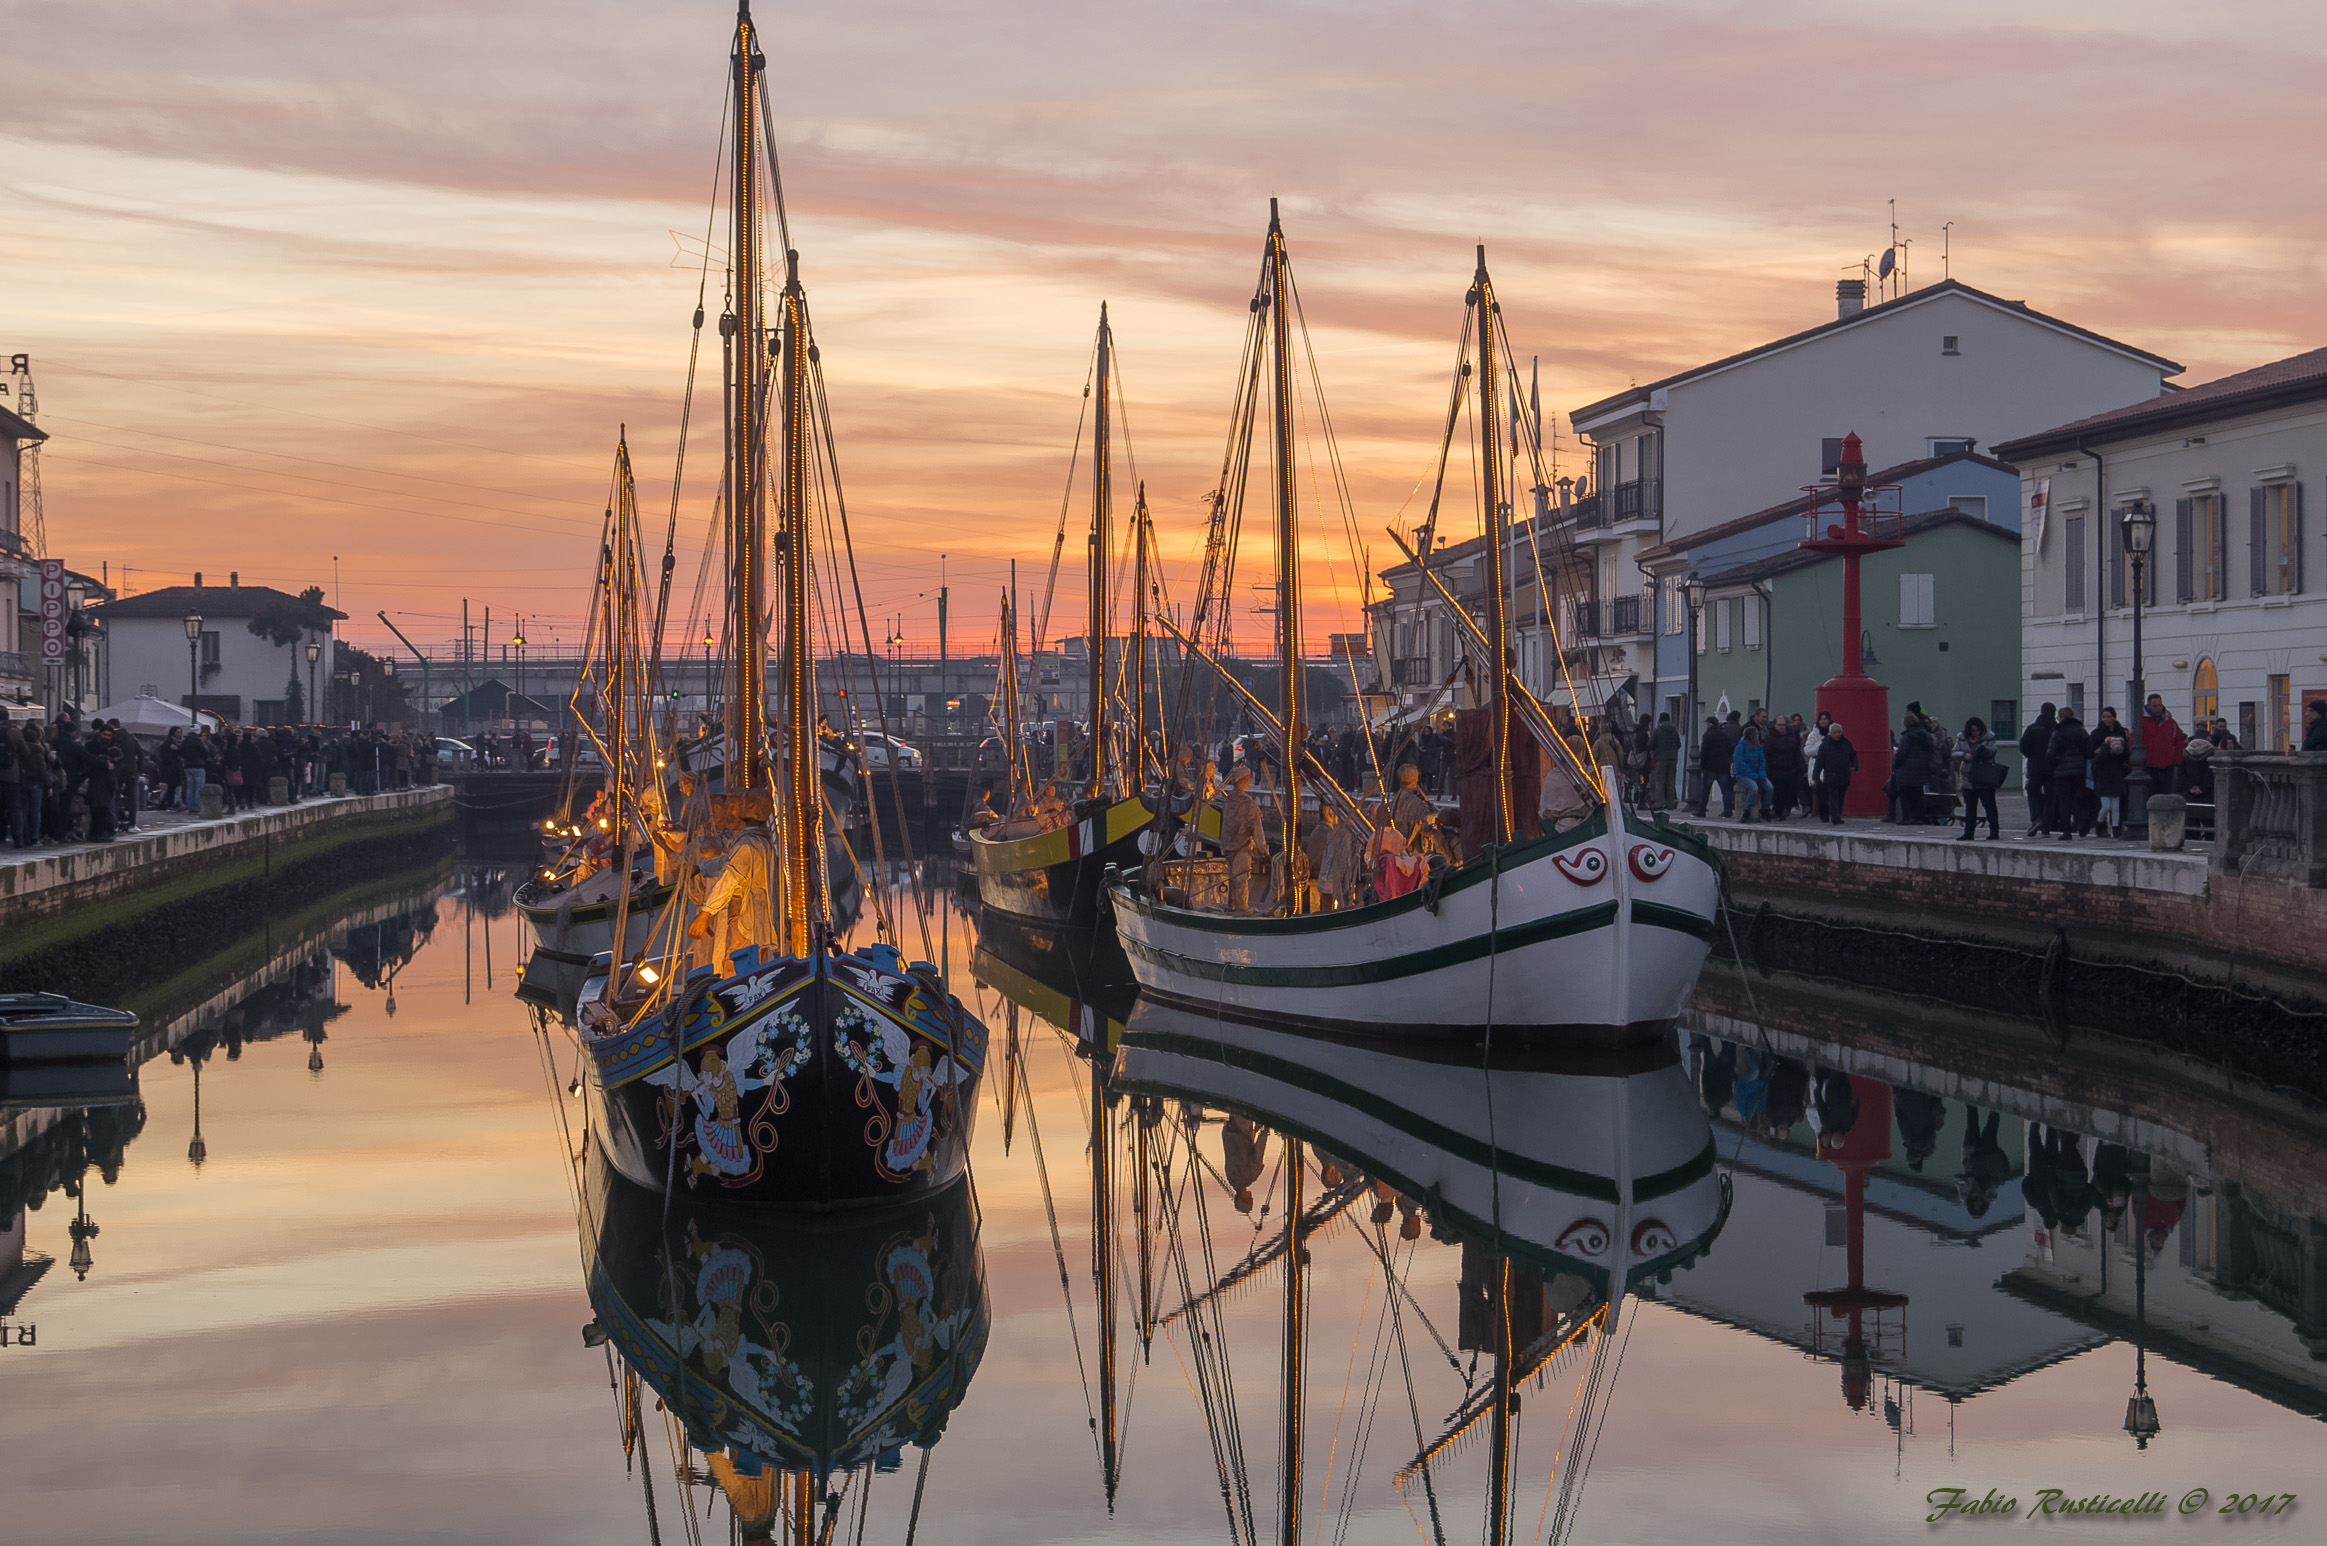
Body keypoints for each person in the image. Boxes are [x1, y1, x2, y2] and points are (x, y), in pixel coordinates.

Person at [1220, 765, 1267, 914]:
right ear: (1246, 780)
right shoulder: (1249, 805)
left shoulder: (1227, 801)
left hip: (1228, 844)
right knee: (1241, 877)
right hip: (1242, 846)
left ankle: (1232, 905)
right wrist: (1263, 849)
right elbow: (1256, 828)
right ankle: (1242, 908)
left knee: (1233, 876)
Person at [2045, 709, 2094, 839]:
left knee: (2064, 801)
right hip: (2079, 770)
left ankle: (2067, 831)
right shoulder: (2081, 731)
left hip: (2061, 772)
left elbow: (2050, 754)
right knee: (2078, 797)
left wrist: (2054, 765)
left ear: (2061, 718)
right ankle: (2081, 820)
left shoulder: (2057, 732)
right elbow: (2090, 751)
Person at [1956, 716, 2002, 841]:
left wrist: (1982, 750)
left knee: (1989, 805)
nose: (1975, 733)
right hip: (1968, 777)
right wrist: (1964, 755)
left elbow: (1992, 752)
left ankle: (1994, 832)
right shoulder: (1961, 738)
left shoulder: (1989, 738)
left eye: (1976, 731)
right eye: (1972, 731)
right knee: (1970, 807)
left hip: (1984, 776)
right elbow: (1954, 752)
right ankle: (1969, 832)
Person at [2090, 706, 2132, 837]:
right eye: (2104, 717)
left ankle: (2116, 828)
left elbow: (2126, 754)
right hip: (2103, 772)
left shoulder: (2120, 731)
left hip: (2118, 771)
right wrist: (2105, 746)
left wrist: (2122, 745)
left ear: (2114, 718)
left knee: (2116, 805)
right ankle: (2099, 824)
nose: (2106, 719)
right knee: (2106, 805)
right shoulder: (2097, 733)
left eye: (2109, 716)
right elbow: (2094, 756)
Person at [2018, 702, 2057, 836]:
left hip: (2035, 765)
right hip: (2052, 767)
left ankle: (2036, 819)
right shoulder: (2056, 729)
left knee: (2032, 791)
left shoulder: (2032, 728)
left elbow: (2023, 746)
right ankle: (2046, 827)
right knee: (2050, 797)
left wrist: (2032, 755)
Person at [1889, 711, 1934, 824]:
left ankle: (1908, 818)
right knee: (1918, 794)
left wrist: (1895, 766)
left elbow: (1901, 755)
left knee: (1905, 795)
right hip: (1922, 770)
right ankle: (1919, 817)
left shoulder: (1907, 737)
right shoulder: (1925, 736)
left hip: (1906, 771)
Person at [2139, 693, 2186, 796]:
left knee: (2166, 796)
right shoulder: (2141, 722)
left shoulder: (2170, 722)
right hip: (2149, 766)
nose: (2158, 708)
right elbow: (2134, 742)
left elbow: (2179, 739)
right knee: (2151, 796)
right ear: (2149, 706)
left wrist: (2177, 759)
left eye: (2159, 705)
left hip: (2167, 766)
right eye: (2155, 706)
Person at [1813, 721, 1857, 823]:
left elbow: (1853, 754)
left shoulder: (1846, 743)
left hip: (1844, 775)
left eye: (1839, 732)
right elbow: (1819, 761)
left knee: (1841, 797)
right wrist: (1816, 776)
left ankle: (1838, 815)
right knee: (1833, 797)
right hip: (1830, 775)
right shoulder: (1824, 745)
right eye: (1835, 733)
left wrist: (1855, 765)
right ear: (1830, 733)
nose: (1837, 735)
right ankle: (1834, 817)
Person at [1763, 714, 1804, 820]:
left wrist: (1800, 765)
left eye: (1784, 725)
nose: (1782, 727)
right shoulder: (1769, 738)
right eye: (1779, 725)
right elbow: (1766, 754)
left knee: (1789, 792)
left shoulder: (1792, 736)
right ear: (1775, 725)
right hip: (1775, 769)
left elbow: (1797, 752)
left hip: (1790, 768)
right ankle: (1778, 812)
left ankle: (1785, 809)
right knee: (1778, 792)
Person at [1691, 715, 1733, 817]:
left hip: (1710, 767)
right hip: (1723, 767)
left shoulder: (1708, 735)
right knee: (1726, 790)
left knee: (1705, 790)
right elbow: (1729, 750)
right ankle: (1728, 810)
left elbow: (1704, 752)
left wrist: (1702, 765)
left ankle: (1701, 811)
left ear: (1709, 724)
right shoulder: (1724, 735)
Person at [1731, 725, 1773, 821]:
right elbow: (1740, 764)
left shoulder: (1758, 747)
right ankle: (1747, 810)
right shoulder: (1740, 747)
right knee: (1754, 788)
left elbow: (1762, 761)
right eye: (1756, 734)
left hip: (1757, 773)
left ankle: (1766, 808)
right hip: (1743, 775)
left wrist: (1761, 774)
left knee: (1770, 788)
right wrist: (1753, 775)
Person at [1649, 712, 1681, 810]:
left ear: (1660, 720)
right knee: (1671, 782)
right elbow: (1678, 744)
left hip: (1660, 759)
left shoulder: (1657, 731)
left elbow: (1650, 744)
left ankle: (1659, 803)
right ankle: (1670, 803)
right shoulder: (1674, 731)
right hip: (1672, 759)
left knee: (1659, 782)